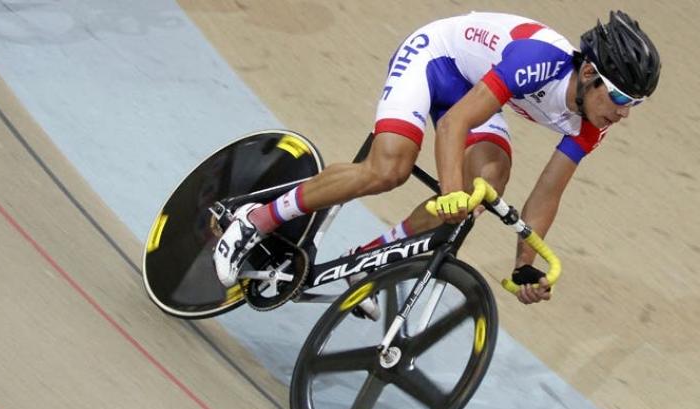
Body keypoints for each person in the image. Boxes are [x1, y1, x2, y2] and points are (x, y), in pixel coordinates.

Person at [213, 10, 661, 307]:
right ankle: (259, 219)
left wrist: (524, 263)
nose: (622, 113)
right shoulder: (539, 61)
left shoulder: (592, 123)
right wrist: (449, 192)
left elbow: (547, 192)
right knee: (390, 168)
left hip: (472, 91)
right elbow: (453, 126)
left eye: (634, 104)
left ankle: (369, 260)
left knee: (484, 187)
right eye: (620, 96)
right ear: (588, 74)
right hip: (434, 59)